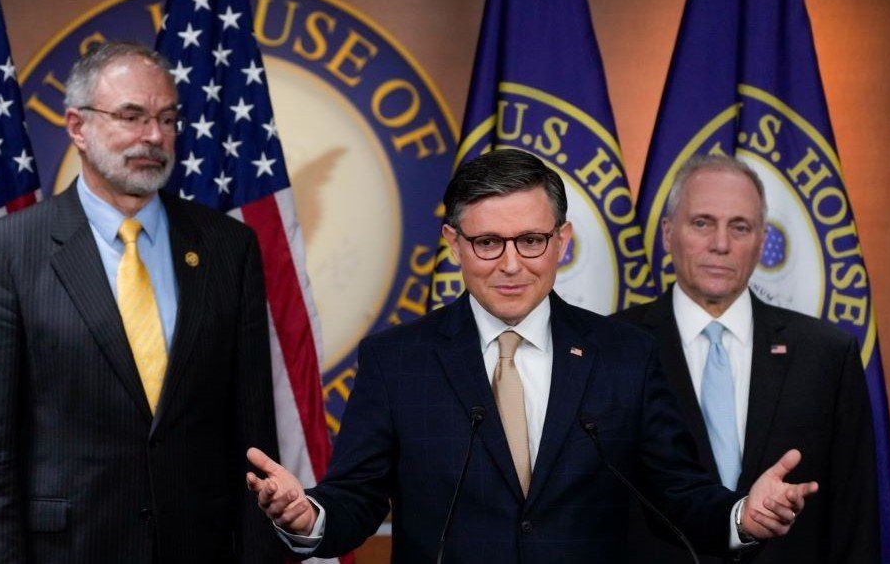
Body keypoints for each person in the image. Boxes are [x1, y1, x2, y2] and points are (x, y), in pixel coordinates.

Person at [247, 149, 819, 563]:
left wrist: (741, 516)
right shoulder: (398, 362)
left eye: (531, 240)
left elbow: (678, 491)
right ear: (453, 244)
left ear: (562, 242)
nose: (512, 264)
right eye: (488, 242)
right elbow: (358, 496)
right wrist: (311, 518)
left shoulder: (625, 355)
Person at [0, 42, 283, 563]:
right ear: (77, 127)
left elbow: (255, 437)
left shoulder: (227, 248)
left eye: (167, 118)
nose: (154, 136)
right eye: (131, 116)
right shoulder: (6, 253)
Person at [616, 154, 878, 563]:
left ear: (760, 241)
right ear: (668, 234)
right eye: (702, 223)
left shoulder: (827, 354)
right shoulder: (612, 347)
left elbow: (854, 520)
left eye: (740, 227)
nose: (720, 244)